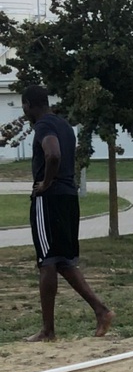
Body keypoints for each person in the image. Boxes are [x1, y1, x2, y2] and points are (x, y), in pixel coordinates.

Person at [21, 85, 113, 342]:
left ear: (29, 104)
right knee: (62, 261)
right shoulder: (64, 126)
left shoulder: (43, 126)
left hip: (49, 199)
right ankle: (101, 311)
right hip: (68, 196)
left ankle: (48, 331)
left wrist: (46, 184)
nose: (24, 111)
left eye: (24, 106)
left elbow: (53, 155)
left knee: (47, 262)